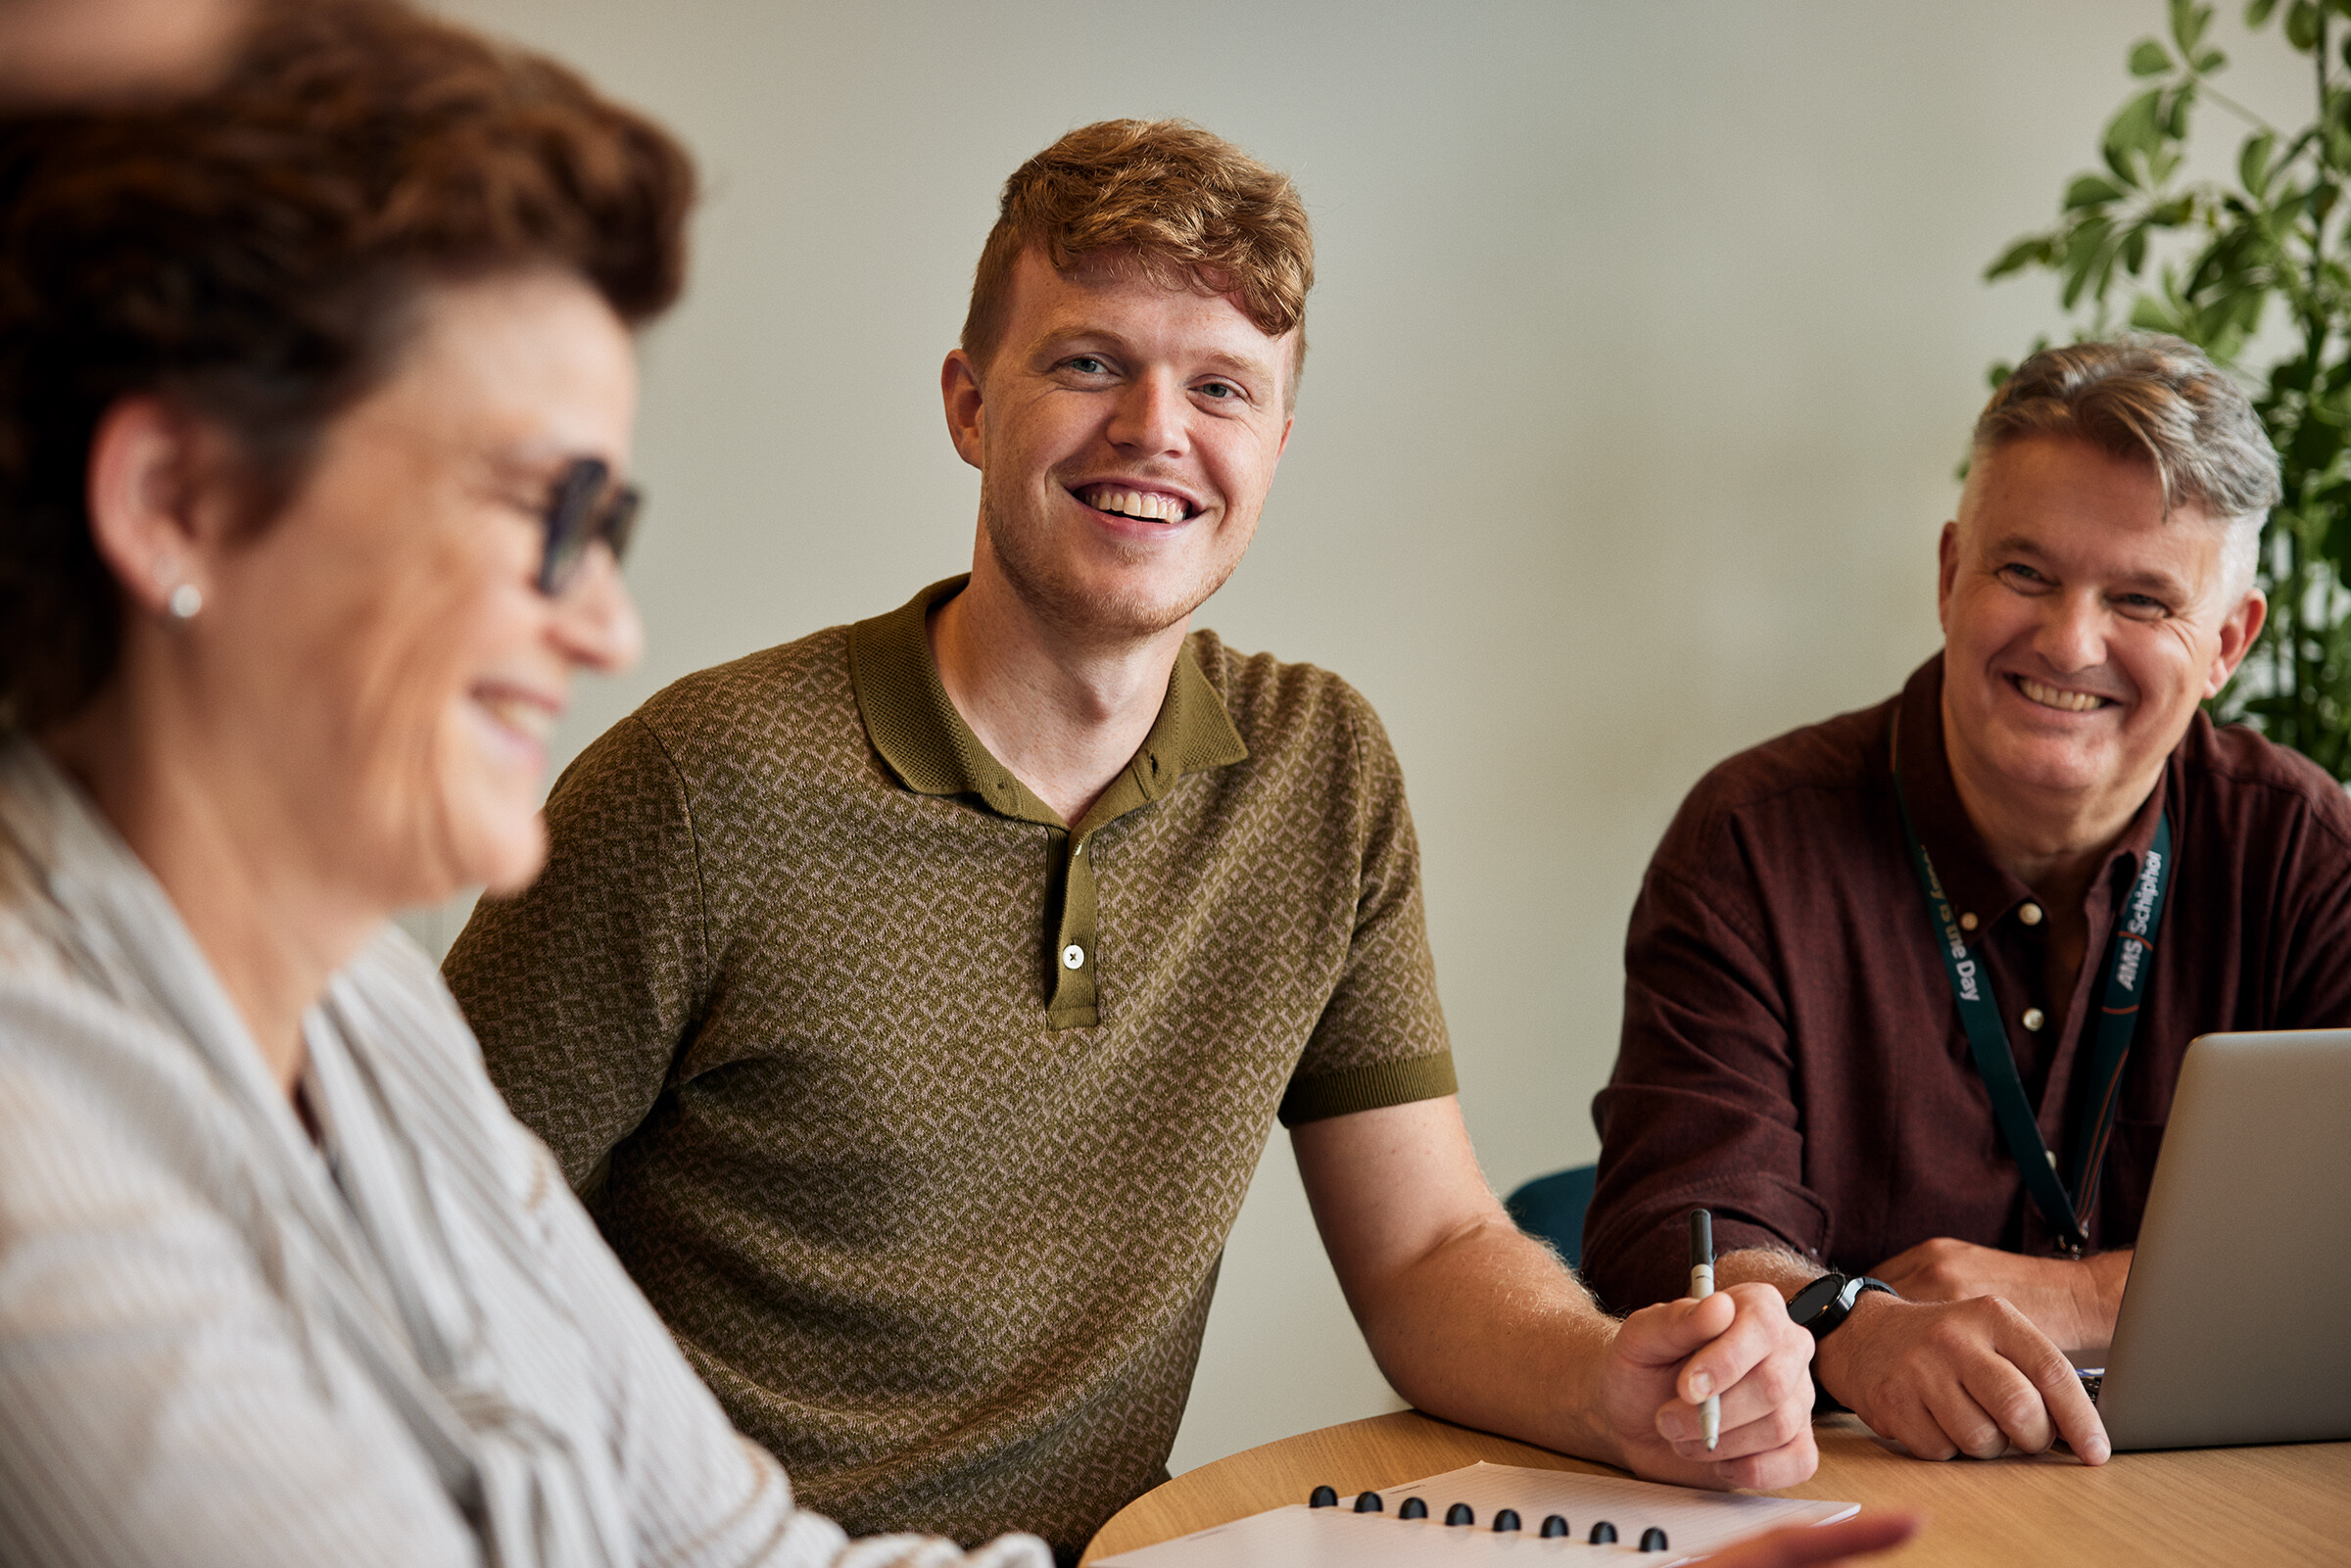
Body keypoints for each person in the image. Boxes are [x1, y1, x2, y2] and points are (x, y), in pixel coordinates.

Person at [443, 119, 1820, 1562]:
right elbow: (406, 1251)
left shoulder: (1318, 772)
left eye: (1220, 386)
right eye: (1090, 362)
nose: (1157, 429)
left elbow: (1426, 1252)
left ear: (1275, 447)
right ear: (972, 406)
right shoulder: (700, 787)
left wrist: (1618, 1384)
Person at [0, 4, 1050, 1563]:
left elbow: (727, 1551)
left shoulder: (367, 998)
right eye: (537, 512)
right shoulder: (35, 1148)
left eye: (604, 528)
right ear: (181, 502)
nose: (607, 624)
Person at [1584, 336, 2351, 1466]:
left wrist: (2080, 1295)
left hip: (2206, 1508)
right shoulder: (1753, 840)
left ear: (2230, 641)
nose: (2069, 641)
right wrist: (1848, 1321)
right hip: (1849, 1494)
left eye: (2141, 598)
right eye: (2025, 573)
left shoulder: (2302, 849)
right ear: (1951, 574)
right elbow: (1680, 1227)